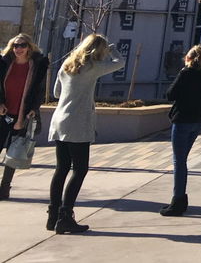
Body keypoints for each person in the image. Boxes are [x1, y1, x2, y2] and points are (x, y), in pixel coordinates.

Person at [47, 33, 123, 234]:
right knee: (80, 169)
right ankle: (65, 215)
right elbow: (120, 63)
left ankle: (53, 215)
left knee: (61, 168)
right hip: (78, 123)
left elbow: (56, 93)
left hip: (60, 120)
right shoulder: (94, 67)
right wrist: (113, 49)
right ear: (99, 51)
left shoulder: (67, 65)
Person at [160, 44, 201, 216]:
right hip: (197, 120)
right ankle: (180, 199)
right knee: (182, 159)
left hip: (182, 119)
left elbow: (170, 94)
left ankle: (178, 200)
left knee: (179, 161)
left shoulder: (185, 73)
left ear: (188, 58)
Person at [0, 33, 50, 201]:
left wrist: (34, 108)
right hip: (3, 113)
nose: (18, 49)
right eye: (15, 45)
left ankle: (4, 188)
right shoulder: (4, 63)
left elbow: (39, 91)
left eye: (22, 45)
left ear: (29, 47)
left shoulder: (37, 66)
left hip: (23, 115)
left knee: (13, 153)